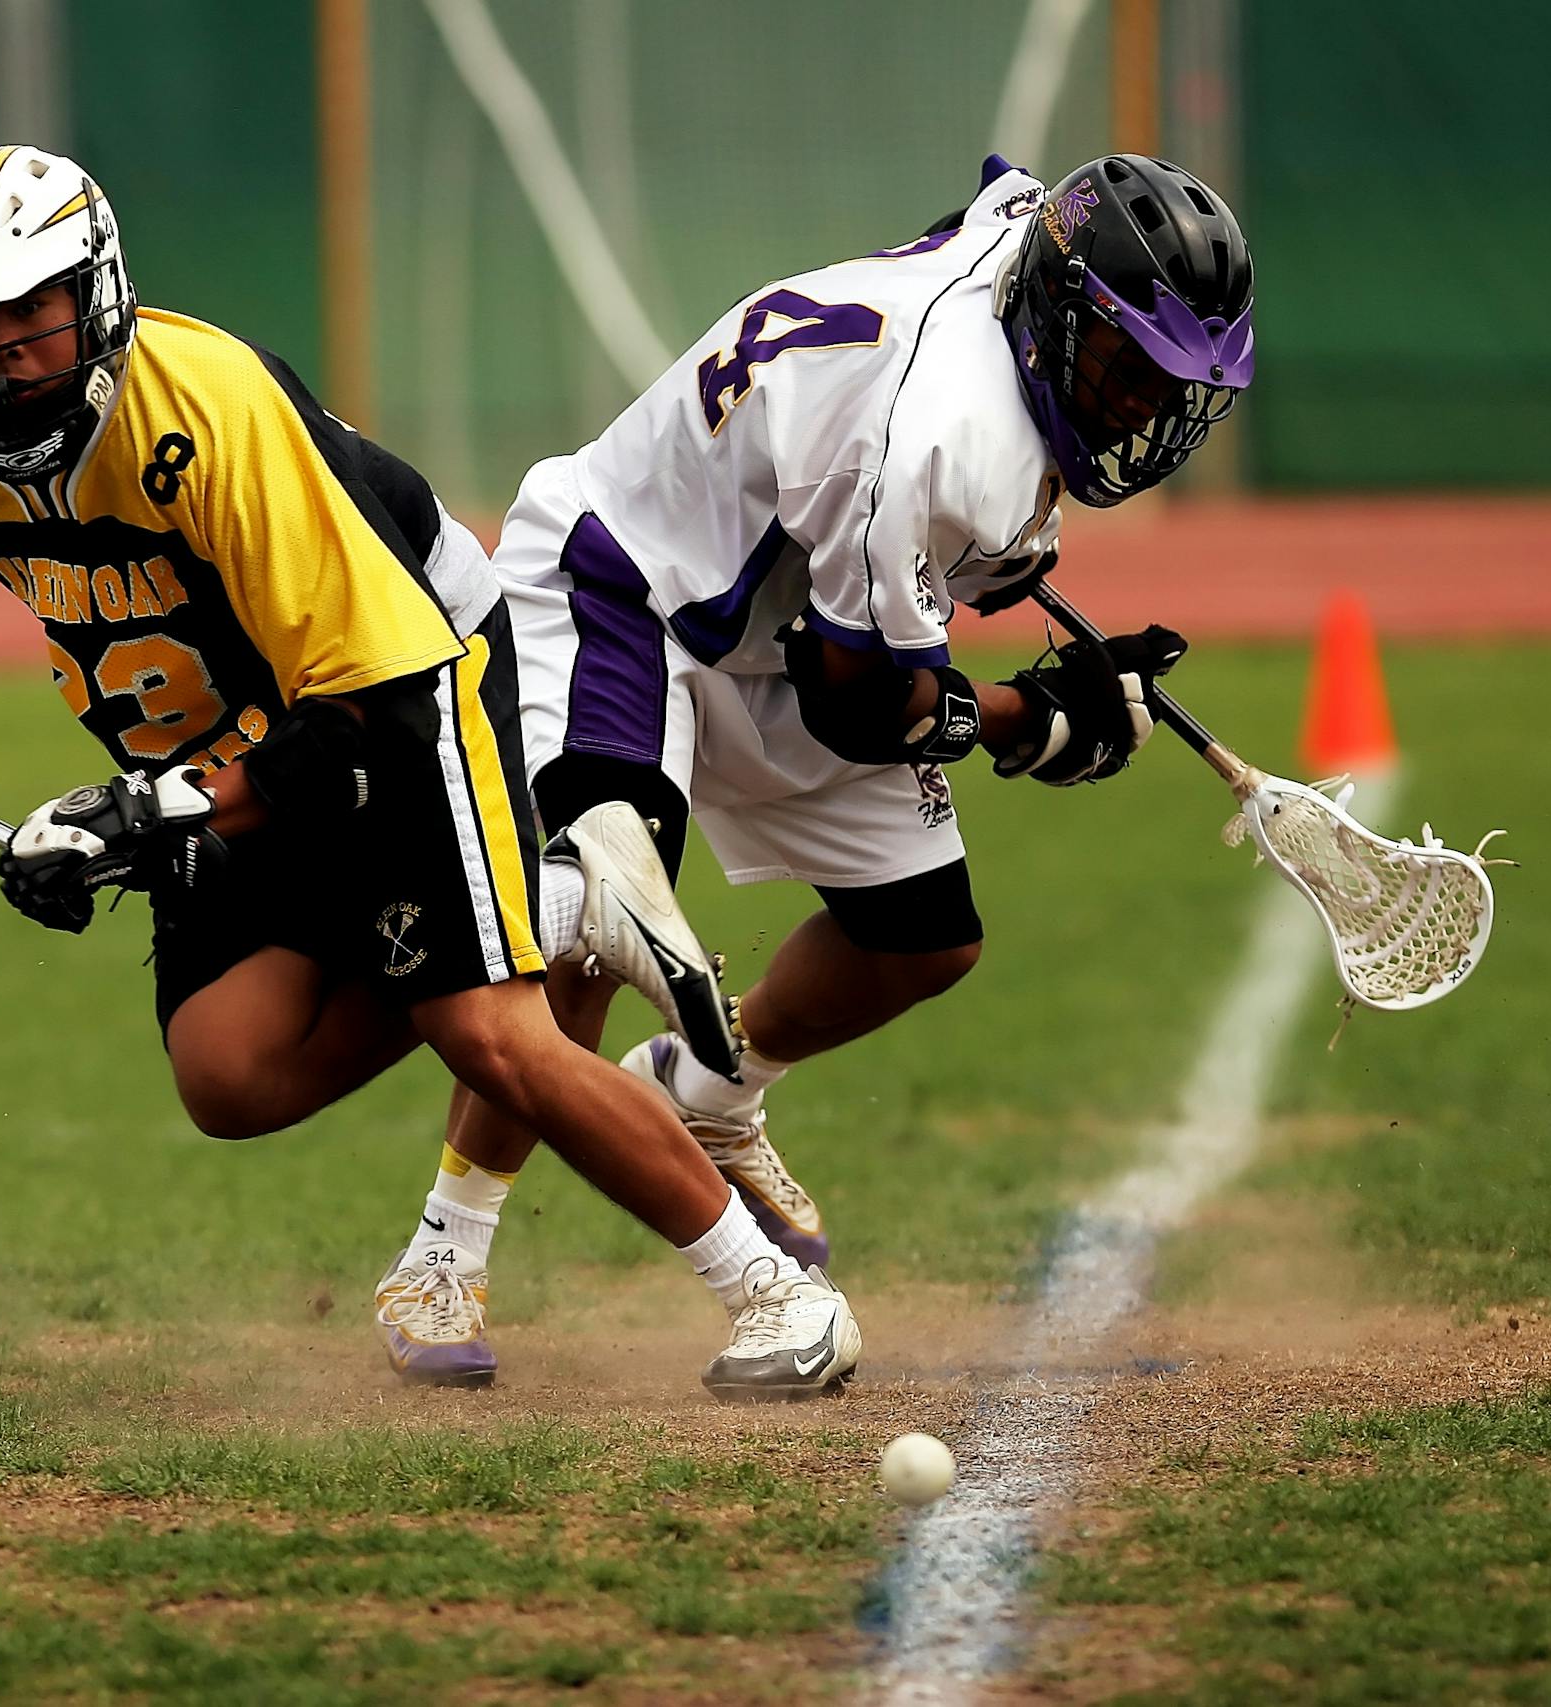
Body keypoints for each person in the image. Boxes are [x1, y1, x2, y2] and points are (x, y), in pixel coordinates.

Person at [0, 146, 862, 1400]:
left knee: (484, 1030)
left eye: (30, 317)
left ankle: (778, 1296)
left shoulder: (211, 419)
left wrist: (150, 814)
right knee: (231, 1072)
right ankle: (551, 906)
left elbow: (366, 709)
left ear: (97, 294)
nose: (5, 361)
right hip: (214, 741)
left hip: (406, 675)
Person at [371, 154, 1252, 1380]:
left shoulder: (1019, 253)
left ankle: (707, 1090)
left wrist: (997, 609)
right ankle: (442, 1254)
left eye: (1168, 384)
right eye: (1127, 367)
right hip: (626, 589)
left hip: (774, 619)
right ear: (1056, 316)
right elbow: (863, 706)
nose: (1141, 409)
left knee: (923, 938)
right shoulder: (935, 438)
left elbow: (991, 200)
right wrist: (1038, 723)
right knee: (595, 933)